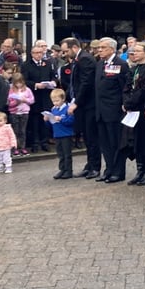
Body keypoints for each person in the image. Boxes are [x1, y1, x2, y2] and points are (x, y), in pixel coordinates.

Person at [61, 37, 101, 179]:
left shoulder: (85, 59)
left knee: (91, 137)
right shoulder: (78, 59)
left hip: (88, 105)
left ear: (74, 47)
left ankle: (95, 167)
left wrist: (76, 102)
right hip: (82, 104)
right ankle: (89, 165)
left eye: (66, 51)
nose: (64, 54)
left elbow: (86, 83)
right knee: (86, 136)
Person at [95, 37, 130, 183]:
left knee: (116, 142)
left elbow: (125, 88)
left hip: (114, 111)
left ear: (112, 49)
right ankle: (109, 169)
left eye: (103, 47)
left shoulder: (121, 64)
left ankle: (118, 171)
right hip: (100, 111)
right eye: (99, 47)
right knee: (105, 143)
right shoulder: (100, 64)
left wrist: (124, 105)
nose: (100, 50)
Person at [122, 41, 145, 186]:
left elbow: (142, 90)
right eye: (134, 51)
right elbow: (128, 86)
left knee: (144, 141)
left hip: (141, 108)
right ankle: (140, 171)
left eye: (138, 51)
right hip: (132, 109)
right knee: (135, 141)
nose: (135, 53)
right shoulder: (134, 68)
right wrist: (126, 102)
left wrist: (131, 103)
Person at [21, 44, 57, 153]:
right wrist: (35, 84)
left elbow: (53, 76)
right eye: (36, 53)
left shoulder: (48, 64)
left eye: (40, 53)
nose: (38, 55)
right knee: (35, 120)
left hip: (46, 95)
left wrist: (53, 82)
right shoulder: (26, 65)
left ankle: (44, 141)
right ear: (32, 54)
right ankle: (35, 143)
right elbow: (24, 81)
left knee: (45, 119)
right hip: (34, 96)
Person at [45, 88, 75, 179]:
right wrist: (47, 120)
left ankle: (69, 171)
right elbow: (50, 125)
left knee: (67, 154)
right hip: (57, 135)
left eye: (57, 101)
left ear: (63, 99)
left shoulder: (67, 108)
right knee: (60, 153)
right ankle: (62, 169)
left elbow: (71, 121)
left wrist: (61, 119)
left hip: (66, 134)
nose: (55, 103)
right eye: (53, 101)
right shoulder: (53, 109)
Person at [7, 72, 34, 157]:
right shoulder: (10, 90)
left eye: (20, 82)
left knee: (22, 131)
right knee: (15, 131)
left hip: (24, 113)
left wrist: (25, 100)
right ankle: (15, 148)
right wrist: (16, 102)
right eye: (16, 83)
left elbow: (32, 100)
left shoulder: (27, 90)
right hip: (14, 113)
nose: (19, 85)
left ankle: (22, 147)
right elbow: (9, 103)